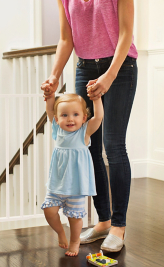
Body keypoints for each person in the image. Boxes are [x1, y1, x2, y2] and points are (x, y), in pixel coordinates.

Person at [41, 0, 138, 252]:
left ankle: (118, 225)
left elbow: (126, 32)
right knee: (89, 147)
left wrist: (110, 75)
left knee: (113, 145)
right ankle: (103, 221)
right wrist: (55, 75)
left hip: (120, 65)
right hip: (84, 66)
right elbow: (66, 39)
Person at [41, 93, 103, 257]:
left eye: (75, 115)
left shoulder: (84, 133)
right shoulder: (58, 131)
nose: (70, 119)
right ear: (57, 118)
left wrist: (97, 99)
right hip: (57, 184)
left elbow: (98, 117)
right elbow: (49, 109)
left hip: (75, 187)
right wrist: (50, 95)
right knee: (49, 210)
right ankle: (61, 232)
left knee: (74, 218)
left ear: (83, 118)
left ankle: (75, 241)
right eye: (64, 115)